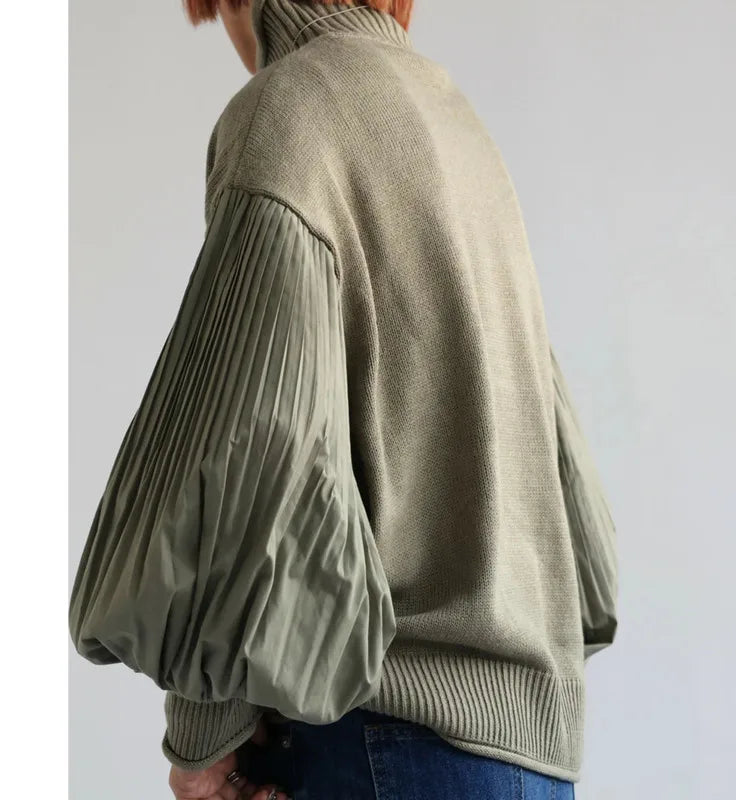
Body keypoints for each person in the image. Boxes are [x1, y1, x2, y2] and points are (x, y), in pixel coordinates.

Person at [68, 1, 619, 799]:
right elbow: (548, 457)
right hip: (528, 756)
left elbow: (249, 448)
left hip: (379, 739)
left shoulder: (289, 111)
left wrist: (201, 741)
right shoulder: (456, 118)